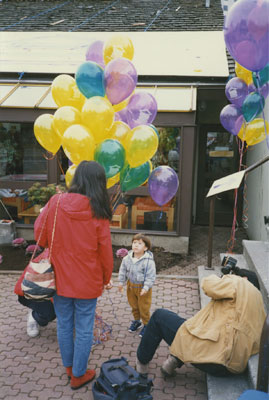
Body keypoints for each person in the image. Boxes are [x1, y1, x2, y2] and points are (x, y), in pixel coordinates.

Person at [34, 161, 114, 390]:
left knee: (64, 324)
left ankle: (70, 368)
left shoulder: (56, 202)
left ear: (77, 178)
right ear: (99, 183)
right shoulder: (99, 211)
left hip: (58, 278)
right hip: (88, 281)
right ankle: (79, 374)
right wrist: (106, 278)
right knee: (85, 327)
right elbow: (106, 253)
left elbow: (39, 234)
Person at [136, 268, 266, 377]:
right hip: (232, 368)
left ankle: (141, 365)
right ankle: (173, 361)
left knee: (159, 316)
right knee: (193, 325)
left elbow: (208, 285)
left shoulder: (240, 283)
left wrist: (226, 276)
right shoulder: (259, 306)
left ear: (244, 278)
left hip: (214, 359)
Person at [118, 233, 156, 338]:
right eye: (134, 243)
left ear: (146, 247)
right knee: (134, 306)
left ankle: (147, 325)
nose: (136, 245)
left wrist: (146, 287)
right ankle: (136, 321)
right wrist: (121, 282)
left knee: (143, 307)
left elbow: (151, 276)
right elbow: (123, 271)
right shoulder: (127, 258)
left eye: (139, 243)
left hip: (143, 288)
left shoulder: (148, 261)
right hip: (131, 286)